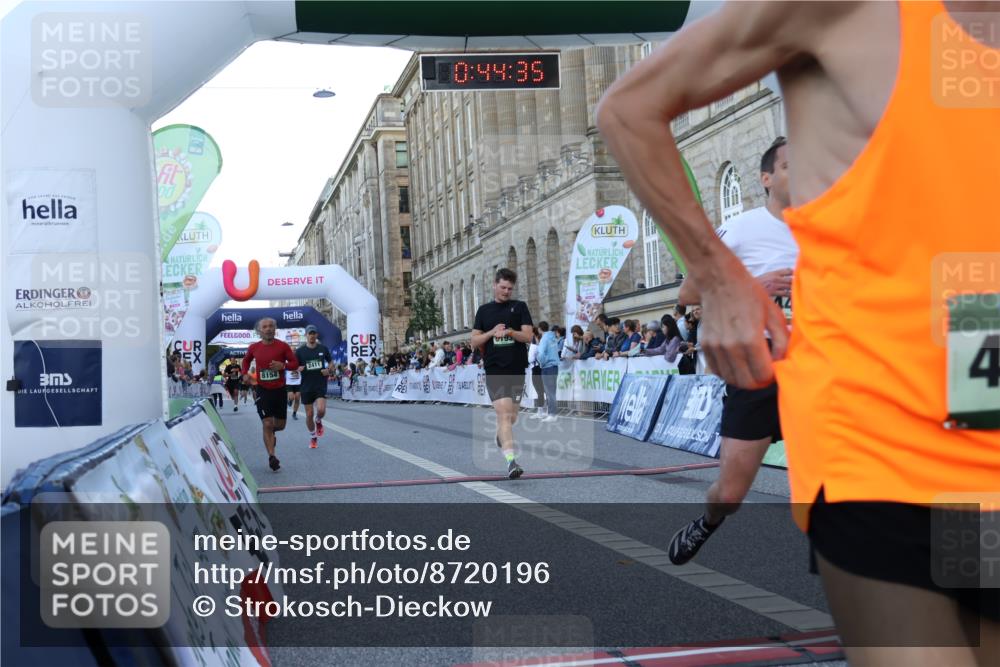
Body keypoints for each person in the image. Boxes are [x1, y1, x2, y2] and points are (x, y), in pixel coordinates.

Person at [597, 2, 999, 660]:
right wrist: (722, 280)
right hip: (879, 438)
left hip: (985, 428)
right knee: (734, 481)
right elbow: (628, 108)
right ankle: (713, 512)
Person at [656, 137, 800, 565]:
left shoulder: (834, 228)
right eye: (793, 166)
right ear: (767, 179)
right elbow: (689, 293)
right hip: (756, 370)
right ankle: (708, 521)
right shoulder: (741, 229)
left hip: (817, 369)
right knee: (732, 493)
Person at [471, 268, 533, 479]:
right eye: (503, 287)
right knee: (504, 414)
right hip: (495, 369)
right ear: (495, 285)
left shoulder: (519, 307)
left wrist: (510, 332)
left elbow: (528, 337)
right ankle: (511, 462)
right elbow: (474, 341)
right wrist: (491, 332)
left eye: (510, 288)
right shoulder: (484, 311)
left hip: (516, 368)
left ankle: (501, 435)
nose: (506, 292)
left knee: (512, 417)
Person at [241, 317, 299, 472]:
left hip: (279, 390)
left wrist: (283, 365)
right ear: (260, 331)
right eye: (265, 326)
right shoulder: (254, 347)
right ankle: (272, 456)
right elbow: (246, 361)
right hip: (263, 390)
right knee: (267, 423)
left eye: (271, 326)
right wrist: (244, 374)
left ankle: (272, 433)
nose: (268, 329)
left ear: (275, 329)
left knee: (279, 426)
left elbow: (295, 364)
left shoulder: (283, 346)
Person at [296, 324, 333, 450]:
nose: (311, 335)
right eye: (309, 333)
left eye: (313, 333)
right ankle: (313, 437)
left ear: (316, 335)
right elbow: (293, 366)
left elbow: (332, 363)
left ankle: (318, 420)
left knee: (321, 410)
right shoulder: (300, 351)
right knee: (309, 414)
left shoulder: (323, 348)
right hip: (306, 386)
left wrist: (328, 369)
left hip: (320, 384)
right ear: (306, 335)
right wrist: (297, 368)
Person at [536, 321, 560, 423]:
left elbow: (540, 354)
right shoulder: (553, 337)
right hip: (554, 366)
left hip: (547, 366)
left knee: (549, 391)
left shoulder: (544, 338)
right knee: (552, 391)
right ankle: (551, 412)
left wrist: (542, 363)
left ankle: (552, 414)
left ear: (539, 329)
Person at [527, 327, 546, 420]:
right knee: (542, 390)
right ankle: (543, 411)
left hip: (536, 368)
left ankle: (541, 411)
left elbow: (530, 359)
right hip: (542, 367)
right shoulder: (541, 342)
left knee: (539, 390)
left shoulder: (534, 345)